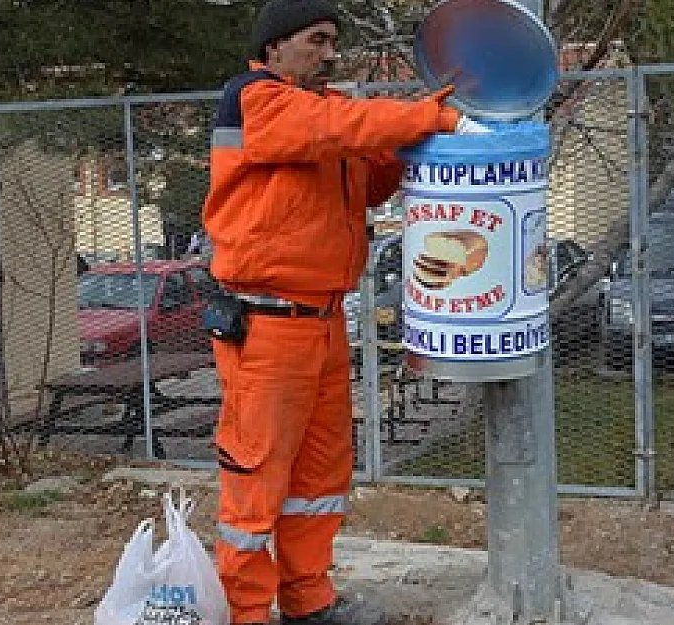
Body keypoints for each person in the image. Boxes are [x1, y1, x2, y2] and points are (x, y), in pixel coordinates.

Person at [200, 1, 472, 623]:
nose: (330, 54)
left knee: (320, 477)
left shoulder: (323, 119)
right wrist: (425, 114)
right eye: (316, 41)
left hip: (322, 323)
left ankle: (309, 601)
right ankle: (246, 613)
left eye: (334, 43)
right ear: (273, 48)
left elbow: (368, 172)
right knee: (257, 476)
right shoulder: (257, 100)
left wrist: (419, 142)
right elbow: (336, 127)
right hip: (266, 329)